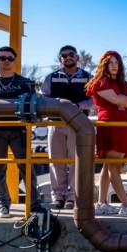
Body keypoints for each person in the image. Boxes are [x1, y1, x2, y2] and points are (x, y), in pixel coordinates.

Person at [0, 46, 40, 218]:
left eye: (10, 58)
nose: (6, 61)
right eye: (3, 58)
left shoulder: (25, 83)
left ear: (14, 61)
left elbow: (34, 107)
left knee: (26, 167)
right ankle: (3, 205)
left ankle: (34, 204)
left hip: (20, 130)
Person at [86, 51, 127, 216]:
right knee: (113, 167)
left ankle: (101, 203)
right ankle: (126, 205)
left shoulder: (123, 84)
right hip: (109, 127)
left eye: (116, 62)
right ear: (104, 65)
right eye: (110, 62)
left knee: (108, 166)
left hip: (123, 127)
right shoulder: (100, 82)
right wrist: (126, 99)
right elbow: (117, 100)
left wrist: (124, 99)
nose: (114, 65)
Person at [41, 45, 93, 209]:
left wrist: (78, 106)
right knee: (56, 161)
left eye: (71, 54)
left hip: (78, 125)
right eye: (64, 55)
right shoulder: (51, 77)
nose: (68, 57)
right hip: (55, 124)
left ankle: (72, 197)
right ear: (60, 59)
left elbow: (94, 100)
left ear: (77, 57)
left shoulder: (88, 77)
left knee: (76, 161)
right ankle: (58, 196)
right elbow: (43, 98)